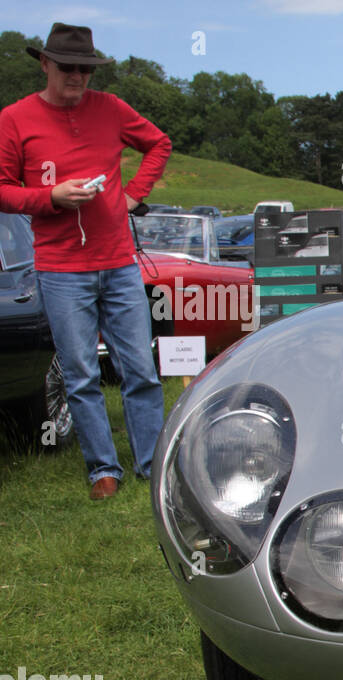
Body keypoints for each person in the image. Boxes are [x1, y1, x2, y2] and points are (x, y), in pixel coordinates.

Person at [0, 23, 171, 500]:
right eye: (67, 67)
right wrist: (50, 197)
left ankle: (152, 466)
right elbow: (2, 189)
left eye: (85, 68)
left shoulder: (111, 108)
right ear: (44, 64)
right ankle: (103, 471)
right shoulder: (14, 119)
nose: (77, 76)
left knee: (140, 368)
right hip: (59, 269)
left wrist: (134, 195)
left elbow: (159, 143)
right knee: (80, 373)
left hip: (118, 261)